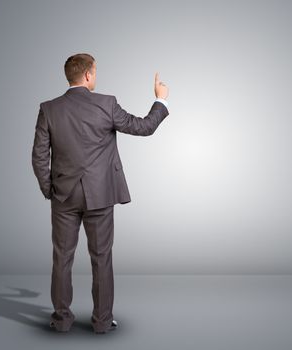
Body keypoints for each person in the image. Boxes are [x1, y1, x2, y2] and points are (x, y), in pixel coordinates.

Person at [31, 53, 169, 333]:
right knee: (102, 257)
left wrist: (51, 190)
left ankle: (61, 321)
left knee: (62, 258)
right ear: (88, 75)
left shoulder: (49, 109)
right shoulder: (107, 104)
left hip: (63, 196)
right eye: (95, 71)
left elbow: (38, 156)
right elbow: (143, 127)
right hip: (100, 195)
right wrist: (161, 99)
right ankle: (103, 322)